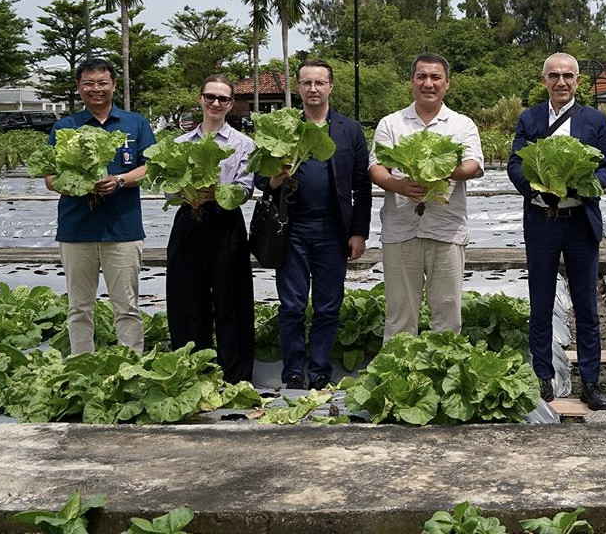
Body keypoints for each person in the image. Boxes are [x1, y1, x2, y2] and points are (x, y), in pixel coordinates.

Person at [508, 52, 606, 411]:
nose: (561, 82)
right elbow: (516, 164)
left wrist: (582, 186)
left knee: (586, 305)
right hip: (542, 222)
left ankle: (590, 381)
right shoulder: (530, 118)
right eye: (553, 75)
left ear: (578, 81)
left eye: (568, 75)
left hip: (579, 222)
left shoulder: (594, 120)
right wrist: (538, 188)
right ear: (544, 81)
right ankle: (543, 377)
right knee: (541, 301)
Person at [259, 60, 371, 390]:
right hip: (290, 230)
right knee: (291, 304)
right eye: (306, 83)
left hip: (333, 230)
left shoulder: (349, 130)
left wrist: (358, 231)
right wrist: (277, 178)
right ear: (298, 88)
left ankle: (320, 369)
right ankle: (293, 370)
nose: (313, 89)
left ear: (330, 87)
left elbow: (362, 185)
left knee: (327, 305)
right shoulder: (283, 127)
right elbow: (260, 178)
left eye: (319, 83)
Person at [369, 53, 484, 340]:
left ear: (447, 83)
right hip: (400, 228)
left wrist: (444, 172)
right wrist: (400, 186)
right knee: (400, 311)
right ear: (412, 82)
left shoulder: (462, 124)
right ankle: (398, 374)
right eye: (421, 77)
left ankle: (443, 369)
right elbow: (376, 167)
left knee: (447, 308)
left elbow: (474, 164)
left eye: (435, 77)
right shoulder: (391, 124)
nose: (428, 83)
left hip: (446, 227)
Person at [45, 57, 156, 355]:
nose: (96, 89)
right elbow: (50, 176)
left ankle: (130, 362)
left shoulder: (136, 123)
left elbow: (150, 166)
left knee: (127, 305)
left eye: (102, 83)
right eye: (89, 84)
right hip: (76, 228)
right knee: (79, 306)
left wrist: (119, 180)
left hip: (123, 228)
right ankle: (83, 364)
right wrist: (80, 185)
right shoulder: (65, 127)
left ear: (114, 85)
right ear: (79, 88)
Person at [165, 74, 257, 383]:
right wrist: (189, 193)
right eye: (210, 97)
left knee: (231, 299)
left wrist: (215, 192)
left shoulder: (244, 144)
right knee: (188, 299)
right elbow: (168, 189)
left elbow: (244, 190)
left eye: (222, 99)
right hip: (189, 221)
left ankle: (235, 373)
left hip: (226, 225)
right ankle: (194, 371)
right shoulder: (179, 144)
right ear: (200, 99)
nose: (215, 103)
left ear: (231, 104)